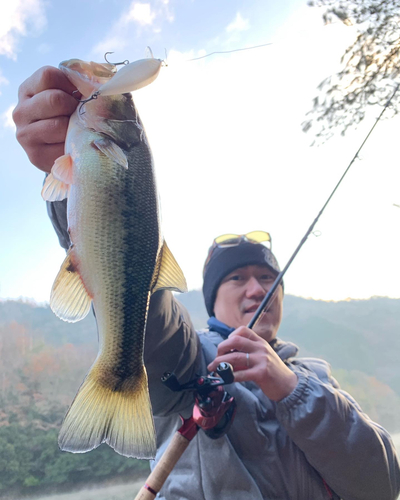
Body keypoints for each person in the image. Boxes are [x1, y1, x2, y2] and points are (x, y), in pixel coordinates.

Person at [13, 66, 400, 500]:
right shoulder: (188, 359)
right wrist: (69, 180)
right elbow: (148, 322)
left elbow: (383, 484)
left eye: (267, 280)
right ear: (211, 299)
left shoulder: (317, 381)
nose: (256, 290)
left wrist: (291, 389)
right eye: (238, 278)